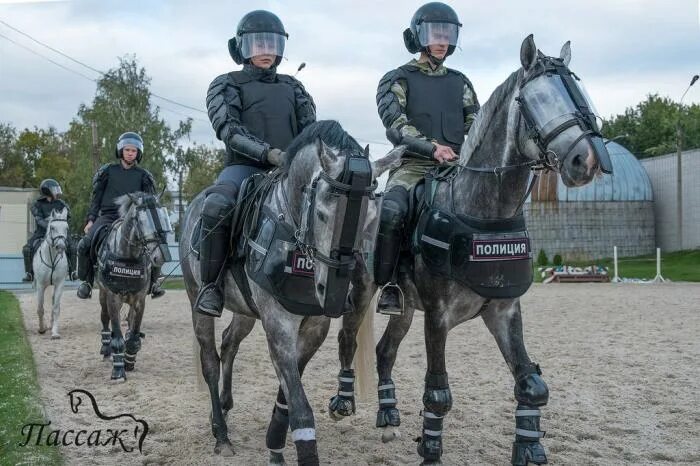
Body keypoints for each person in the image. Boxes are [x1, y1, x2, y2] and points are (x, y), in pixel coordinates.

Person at [195, 9, 316, 317]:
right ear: (243, 48)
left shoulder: (295, 88)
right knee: (217, 205)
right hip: (243, 168)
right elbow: (229, 130)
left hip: (289, 172)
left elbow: (310, 130)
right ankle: (211, 287)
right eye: (258, 43)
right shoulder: (226, 84)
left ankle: (343, 279)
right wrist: (268, 154)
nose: (266, 50)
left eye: (272, 43)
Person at [374, 2, 480, 315]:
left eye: (447, 33)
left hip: (458, 166)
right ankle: (391, 284)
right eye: (435, 33)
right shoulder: (398, 79)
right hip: (412, 166)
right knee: (392, 211)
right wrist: (432, 148)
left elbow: (476, 122)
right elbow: (396, 126)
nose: (441, 39)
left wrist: (469, 149)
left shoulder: (461, 82)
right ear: (419, 35)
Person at [76, 132, 165, 299]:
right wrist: (91, 220)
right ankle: (86, 282)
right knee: (84, 244)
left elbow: (149, 203)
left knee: (155, 243)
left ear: (138, 153)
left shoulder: (144, 176)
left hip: (135, 220)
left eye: (134, 150)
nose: (130, 153)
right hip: (108, 216)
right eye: (127, 149)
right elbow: (96, 198)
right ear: (120, 150)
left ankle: (154, 283)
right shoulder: (107, 171)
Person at [22, 179, 77, 282]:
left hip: (59, 233)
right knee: (27, 249)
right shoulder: (37, 205)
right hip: (41, 233)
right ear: (47, 191)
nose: (57, 192)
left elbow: (68, 215)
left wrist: (62, 220)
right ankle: (29, 273)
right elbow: (39, 220)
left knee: (73, 247)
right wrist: (50, 226)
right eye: (54, 189)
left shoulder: (61, 203)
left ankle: (72, 272)